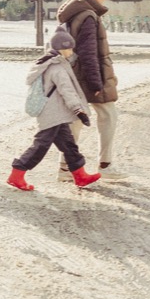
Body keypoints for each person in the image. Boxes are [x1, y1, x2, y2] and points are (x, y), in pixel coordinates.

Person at [7, 27, 101, 191]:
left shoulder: (49, 64)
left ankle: (80, 175)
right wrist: (79, 110)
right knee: (41, 145)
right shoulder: (57, 68)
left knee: (69, 145)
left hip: (55, 113)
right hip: (52, 113)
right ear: (60, 48)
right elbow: (67, 91)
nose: (71, 51)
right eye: (69, 48)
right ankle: (17, 173)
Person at [56, 0, 120, 177]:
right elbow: (89, 53)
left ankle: (66, 167)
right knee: (108, 114)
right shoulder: (88, 16)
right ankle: (106, 164)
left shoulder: (76, 12)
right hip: (87, 76)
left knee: (75, 119)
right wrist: (95, 83)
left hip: (73, 75)